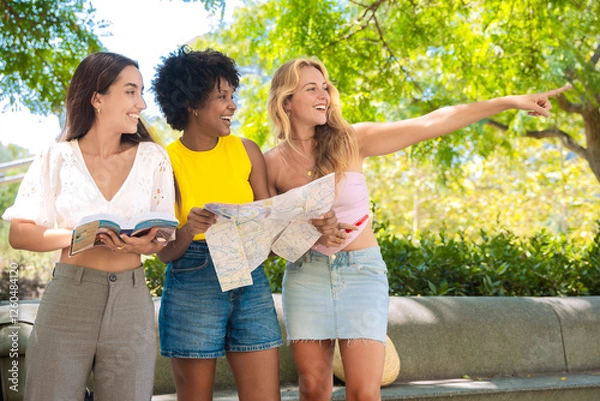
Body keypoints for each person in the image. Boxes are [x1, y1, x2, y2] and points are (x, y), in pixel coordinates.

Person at [264, 56, 571, 401]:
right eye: (311, 88)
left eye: (325, 87)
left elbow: (431, 122)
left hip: (361, 271)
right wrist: (310, 232)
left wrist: (509, 102)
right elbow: (270, 243)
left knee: (364, 391)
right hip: (307, 276)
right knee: (313, 386)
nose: (323, 95)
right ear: (286, 100)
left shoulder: (352, 140)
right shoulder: (270, 163)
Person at [2, 52, 176, 400]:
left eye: (141, 93)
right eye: (130, 92)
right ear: (97, 98)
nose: (141, 103)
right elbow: (18, 232)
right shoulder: (56, 156)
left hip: (131, 298)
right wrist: (79, 237)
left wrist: (146, 245)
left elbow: (163, 234)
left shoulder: (153, 158)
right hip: (70, 296)